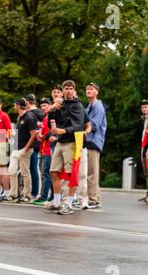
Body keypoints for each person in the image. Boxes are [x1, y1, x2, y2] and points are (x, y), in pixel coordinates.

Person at [44, 80, 86, 215]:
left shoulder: (77, 105)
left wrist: (64, 131)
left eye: (70, 88)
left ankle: (69, 203)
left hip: (72, 142)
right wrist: (53, 108)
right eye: (66, 88)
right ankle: (57, 202)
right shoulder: (60, 104)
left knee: (70, 174)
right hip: (60, 142)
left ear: (74, 90)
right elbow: (50, 118)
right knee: (53, 171)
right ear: (63, 91)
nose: (68, 91)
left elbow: (79, 126)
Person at [6, 98, 38, 202]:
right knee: (11, 171)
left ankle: (27, 194)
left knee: (25, 172)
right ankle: (13, 193)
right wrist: (13, 135)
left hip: (25, 148)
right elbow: (22, 132)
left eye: (15, 105)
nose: (14, 107)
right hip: (16, 148)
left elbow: (34, 134)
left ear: (19, 105)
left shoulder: (29, 117)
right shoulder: (19, 117)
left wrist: (26, 148)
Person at [85, 82, 107, 209]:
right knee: (89, 170)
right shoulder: (89, 105)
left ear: (96, 92)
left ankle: (93, 199)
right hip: (89, 141)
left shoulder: (98, 106)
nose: (89, 91)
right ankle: (94, 197)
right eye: (87, 89)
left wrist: (83, 132)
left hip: (93, 141)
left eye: (91, 89)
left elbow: (94, 124)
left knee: (92, 171)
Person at [33, 97, 53, 205]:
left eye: (45, 105)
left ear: (50, 106)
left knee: (46, 173)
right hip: (44, 148)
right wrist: (40, 135)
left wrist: (42, 136)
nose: (43, 108)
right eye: (41, 106)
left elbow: (49, 133)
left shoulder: (50, 117)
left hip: (49, 149)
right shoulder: (45, 118)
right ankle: (50, 196)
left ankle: (45, 196)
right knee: (46, 173)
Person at [25, 93, 44, 200]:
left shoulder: (30, 114)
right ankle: (35, 191)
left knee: (33, 168)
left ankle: (35, 192)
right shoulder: (41, 112)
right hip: (38, 142)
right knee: (33, 168)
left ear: (27, 102)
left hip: (32, 143)